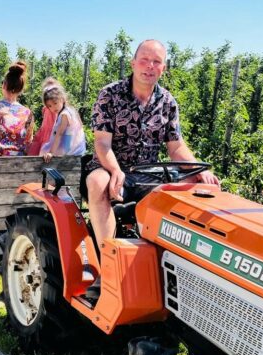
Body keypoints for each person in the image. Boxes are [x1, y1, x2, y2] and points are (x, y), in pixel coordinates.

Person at [87, 39, 219, 247]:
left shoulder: (167, 102)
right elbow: (102, 143)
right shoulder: (110, 95)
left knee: (198, 187)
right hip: (109, 166)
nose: (150, 66)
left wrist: (198, 170)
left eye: (156, 62)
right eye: (144, 60)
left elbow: (176, 147)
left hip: (148, 173)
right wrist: (115, 170)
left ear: (163, 68)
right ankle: (108, 262)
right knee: (97, 183)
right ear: (133, 63)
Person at [0, 61, 33, 156]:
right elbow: (29, 142)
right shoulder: (27, 113)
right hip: (18, 164)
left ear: (4, 85)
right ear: (21, 89)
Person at [41, 83, 86, 162]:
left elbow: (60, 133)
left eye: (55, 103)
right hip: (78, 149)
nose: (53, 107)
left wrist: (51, 153)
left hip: (71, 151)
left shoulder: (64, 114)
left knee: (45, 153)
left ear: (62, 99)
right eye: (49, 106)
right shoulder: (72, 110)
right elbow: (81, 125)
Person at [27, 77, 60, 155]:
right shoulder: (45, 108)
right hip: (44, 132)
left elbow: (55, 124)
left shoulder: (55, 108)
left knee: (44, 152)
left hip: (50, 134)